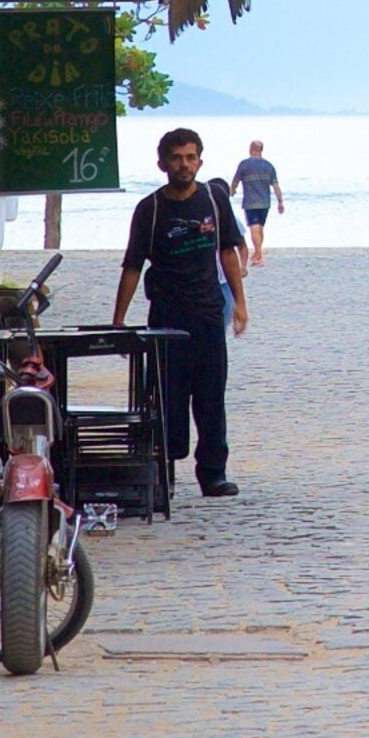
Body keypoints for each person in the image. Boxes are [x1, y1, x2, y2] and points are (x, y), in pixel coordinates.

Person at [110, 126, 248, 499]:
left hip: (208, 314)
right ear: (162, 163)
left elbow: (228, 252)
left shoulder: (214, 198)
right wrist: (119, 319)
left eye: (190, 157)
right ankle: (163, 472)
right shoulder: (150, 210)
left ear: (200, 161)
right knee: (166, 398)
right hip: (167, 317)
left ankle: (213, 474)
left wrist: (240, 303)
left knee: (211, 397)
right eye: (177, 158)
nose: (184, 165)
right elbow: (133, 266)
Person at [230, 141, 282, 268]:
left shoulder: (244, 165)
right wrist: (280, 202)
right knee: (259, 228)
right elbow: (276, 186)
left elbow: (235, 180)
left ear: (250, 149)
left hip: (250, 202)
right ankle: (257, 255)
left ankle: (259, 256)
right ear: (261, 150)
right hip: (265, 203)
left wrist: (231, 191)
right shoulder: (269, 166)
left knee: (254, 228)